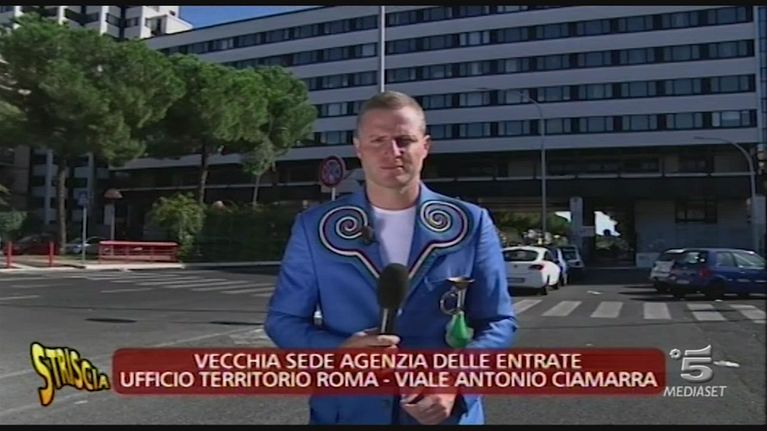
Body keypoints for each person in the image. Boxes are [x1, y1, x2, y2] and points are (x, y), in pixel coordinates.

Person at [265, 90, 517, 425]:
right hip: (347, 413)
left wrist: (456, 382)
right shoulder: (314, 227)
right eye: (378, 140)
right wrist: (339, 351)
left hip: (444, 417)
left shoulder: (471, 222)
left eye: (404, 140)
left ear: (425, 146)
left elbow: (498, 321)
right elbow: (283, 320)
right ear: (358, 148)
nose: (392, 152)